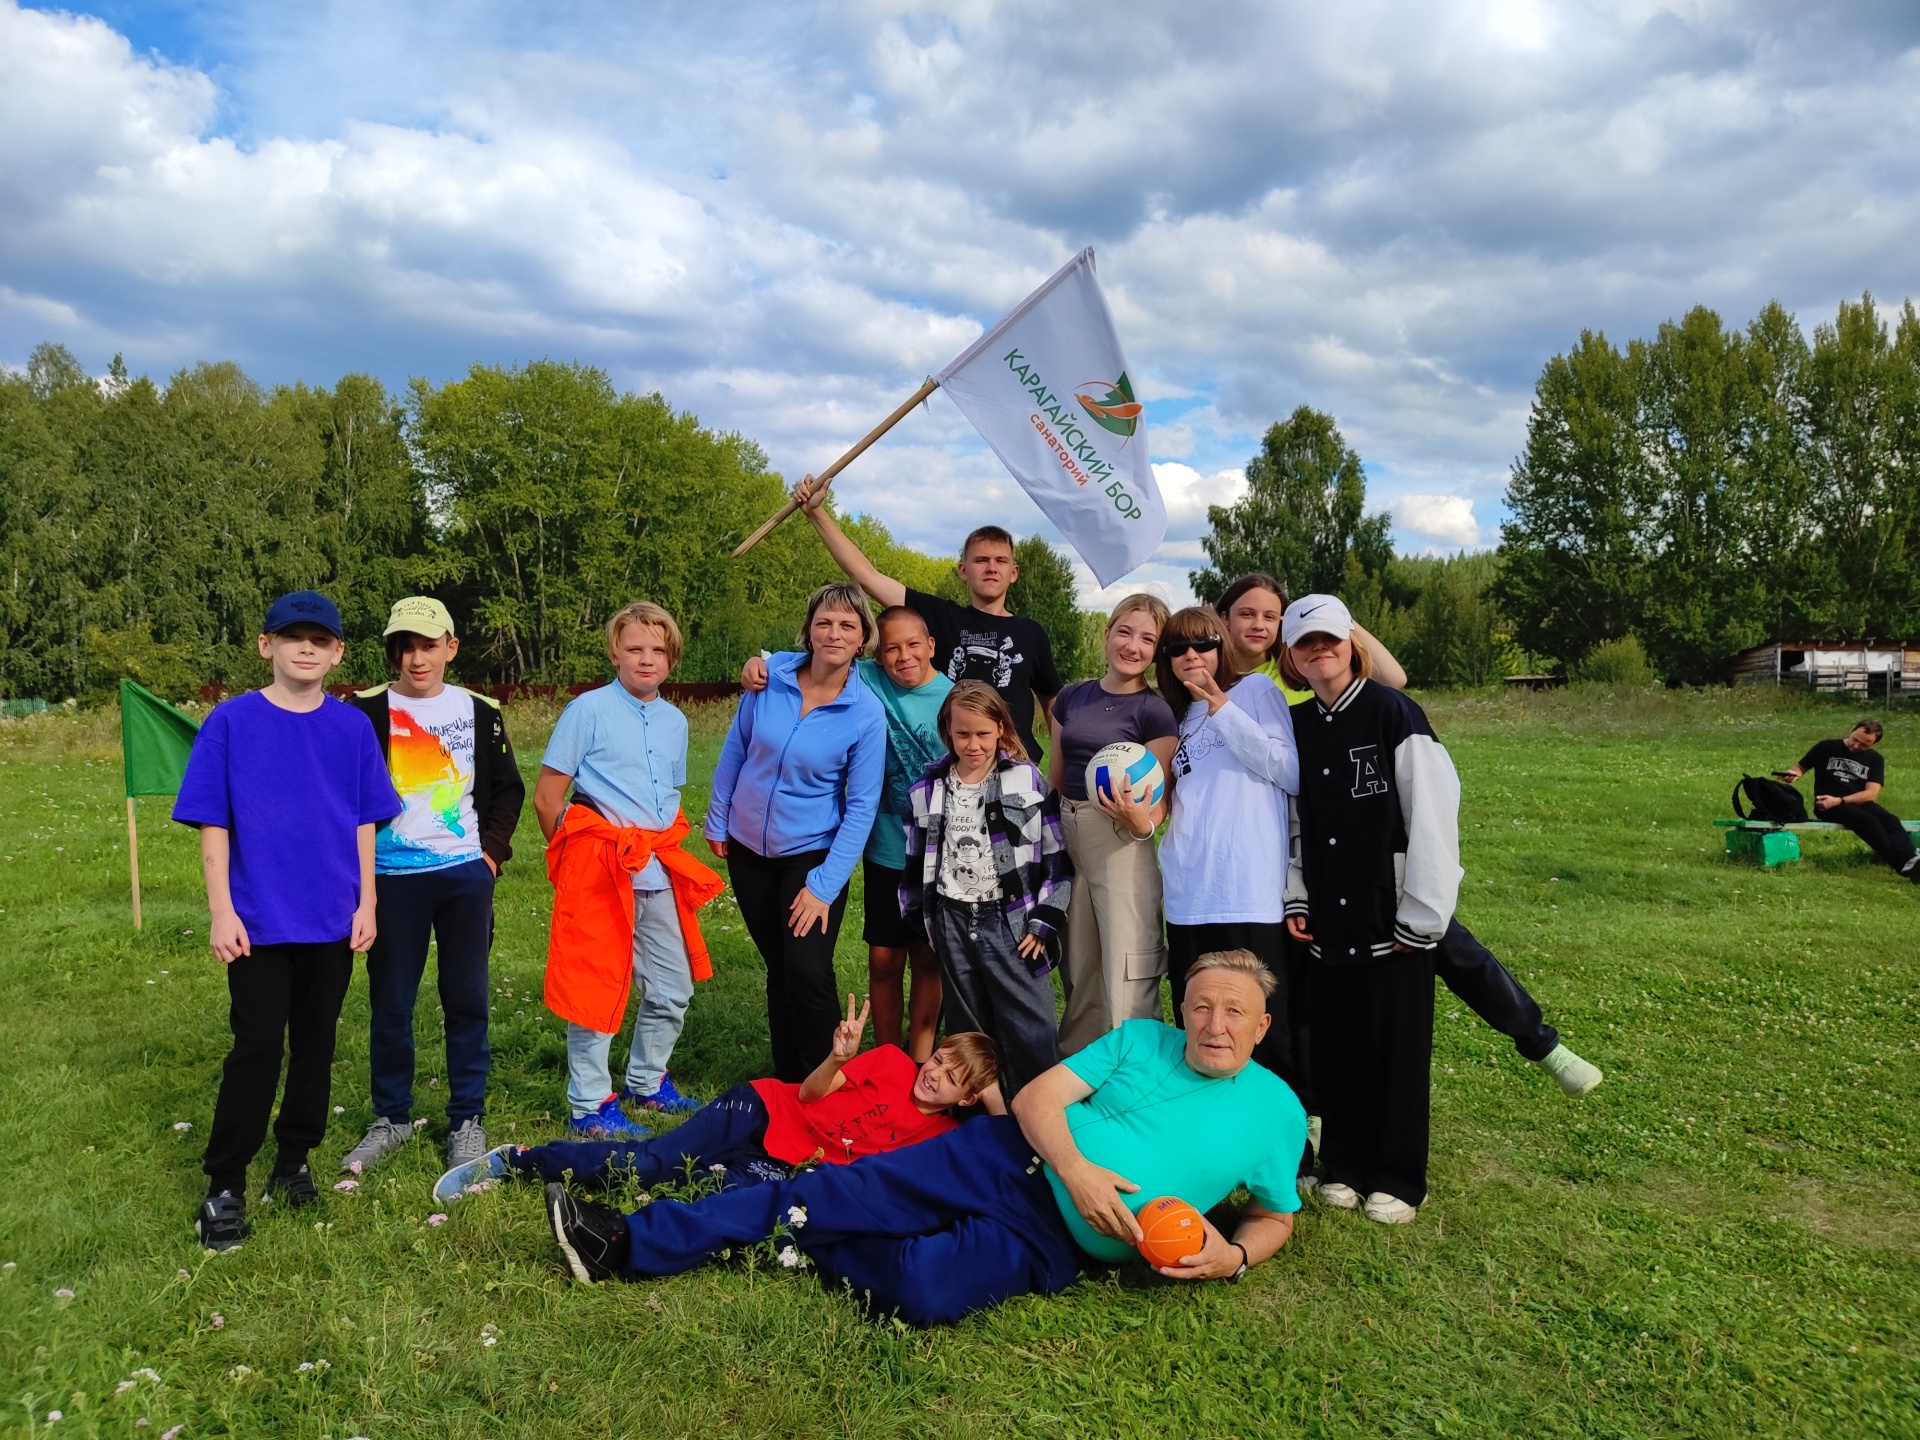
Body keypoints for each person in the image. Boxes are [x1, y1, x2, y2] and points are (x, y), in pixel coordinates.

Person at [538, 951, 1306, 1329]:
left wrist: (1234, 1256)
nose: (1214, 1024)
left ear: (1262, 1026)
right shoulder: (1142, 1039)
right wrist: (1078, 1172)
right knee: (819, 1192)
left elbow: (1275, 1215)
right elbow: (1038, 1098)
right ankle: (624, 1243)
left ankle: (809, 1234)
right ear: (1183, 1008)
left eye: (1235, 1013)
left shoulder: (1275, 1112)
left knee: (924, 1293)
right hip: (1006, 1158)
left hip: (1055, 1245)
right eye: (1202, 1006)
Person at [1215, 571, 1601, 1102]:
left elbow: (1390, 679)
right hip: (1286, 854)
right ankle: (1315, 1109)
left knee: (1444, 943)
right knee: (1305, 991)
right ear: (1223, 619)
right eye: (1246, 613)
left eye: (1272, 614)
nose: (1260, 623)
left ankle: (1539, 1041)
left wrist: (1329, 619)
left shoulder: (1303, 662)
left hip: (1356, 838)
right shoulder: (1211, 677)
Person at [171, 590, 403, 1251]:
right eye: (292, 636)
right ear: (265, 645)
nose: (307, 647)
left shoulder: (351, 727)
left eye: (320, 639)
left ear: (336, 654)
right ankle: (225, 1184)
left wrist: (367, 902)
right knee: (256, 1049)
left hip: (332, 917)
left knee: (317, 1045)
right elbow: (212, 823)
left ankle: (293, 1160)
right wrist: (221, 910)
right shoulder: (231, 723)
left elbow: (364, 818)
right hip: (257, 920)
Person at [435, 998, 1002, 1202]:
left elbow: (1003, 1134)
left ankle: (584, 1209)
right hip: (764, 1108)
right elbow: (808, 1094)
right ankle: (521, 1159)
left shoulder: (947, 1136)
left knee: (706, 1191)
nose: (935, 1073)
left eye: (953, 1077)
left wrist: (990, 1087)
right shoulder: (895, 1063)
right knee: (655, 1163)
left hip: (786, 1163)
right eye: (940, 1058)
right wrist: (838, 1056)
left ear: (970, 1097)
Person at [343, 597, 526, 1176]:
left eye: (428, 645)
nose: (416, 658)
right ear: (393, 651)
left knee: (467, 1000)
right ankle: (390, 1119)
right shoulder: (363, 710)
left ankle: (467, 1120)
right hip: (391, 882)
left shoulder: (479, 711)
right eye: (405, 646)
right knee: (391, 1003)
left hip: (463, 879)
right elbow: (344, 797)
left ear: (450, 647)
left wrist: (489, 859)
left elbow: (507, 792)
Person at [535, 602, 724, 1140]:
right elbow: (548, 797)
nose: (646, 659)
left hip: (657, 870)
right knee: (596, 986)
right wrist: (575, 857)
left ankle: (647, 1079)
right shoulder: (586, 711)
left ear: (672, 658)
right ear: (614, 652)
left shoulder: (676, 720)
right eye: (635, 648)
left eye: (658, 650)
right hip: (600, 869)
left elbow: (667, 797)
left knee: (673, 987)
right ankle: (589, 1106)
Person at [740, 606, 954, 1058]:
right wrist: (761, 663)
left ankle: (917, 1058)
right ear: (874, 654)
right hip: (885, 850)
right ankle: (885, 1059)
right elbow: (807, 658)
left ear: (932, 646)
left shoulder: (952, 698)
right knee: (883, 958)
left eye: (914, 645)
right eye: (891, 648)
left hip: (941, 855)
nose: (903, 656)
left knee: (929, 959)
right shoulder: (866, 681)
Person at [705, 583, 887, 1082]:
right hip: (746, 848)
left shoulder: (866, 713)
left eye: (847, 625)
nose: (834, 633)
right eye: (824, 622)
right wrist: (717, 819)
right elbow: (735, 750)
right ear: (808, 629)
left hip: (811, 854)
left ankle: (827, 1082)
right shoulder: (771, 679)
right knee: (780, 968)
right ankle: (789, 1080)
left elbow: (863, 805)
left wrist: (825, 885)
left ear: (862, 639)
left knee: (807, 970)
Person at [788, 474, 1062, 761]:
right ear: (963, 570)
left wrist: (1060, 770)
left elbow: (1053, 704)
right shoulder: (939, 617)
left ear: (1014, 573)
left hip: (1016, 768)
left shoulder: (1031, 632)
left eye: (1000, 561)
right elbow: (867, 577)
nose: (991, 568)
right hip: (956, 768)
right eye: (981, 560)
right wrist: (816, 513)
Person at [1153, 606, 1302, 1102]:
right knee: (1198, 1019)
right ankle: (1208, 1122)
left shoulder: (1256, 692)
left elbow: (1289, 770)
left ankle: (1285, 1135)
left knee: (1261, 1023)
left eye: (1202, 644)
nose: (1191, 654)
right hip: (1190, 892)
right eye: (1177, 648)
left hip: (1249, 892)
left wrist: (1222, 706)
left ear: (1223, 647)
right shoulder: (1177, 718)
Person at [899, 682, 1070, 1096]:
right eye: (962, 734)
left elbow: (1057, 859)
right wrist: (919, 919)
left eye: (983, 734)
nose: (973, 744)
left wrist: (1044, 918)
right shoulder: (925, 791)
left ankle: (1039, 1116)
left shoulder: (1026, 781)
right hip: (951, 920)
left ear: (1000, 729)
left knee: (1032, 1025)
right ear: (948, 731)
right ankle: (982, 1118)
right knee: (968, 1030)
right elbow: (913, 863)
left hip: (1011, 923)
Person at [1048, 593, 1177, 1053]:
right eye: (1125, 631)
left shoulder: (1154, 711)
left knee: (1127, 968)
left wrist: (1140, 824)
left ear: (1156, 651)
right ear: (1107, 634)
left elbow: (1156, 804)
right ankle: (1080, 1074)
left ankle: (1135, 1075)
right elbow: (1058, 778)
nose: (1132, 645)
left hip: (1121, 839)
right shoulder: (1070, 698)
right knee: (1079, 966)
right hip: (1069, 834)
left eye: (1147, 639)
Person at [1782, 719, 1918, 880]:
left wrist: (1840, 800)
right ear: (1852, 731)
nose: (1856, 746)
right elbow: (1801, 767)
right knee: (1868, 821)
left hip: (1855, 802)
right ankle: (1903, 866)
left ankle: (1911, 859)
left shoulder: (1875, 759)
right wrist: (1793, 773)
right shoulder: (1826, 747)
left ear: (1873, 744)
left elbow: (1871, 794)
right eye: (1855, 739)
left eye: (1864, 745)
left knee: (1891, 820)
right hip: (1827, 804)